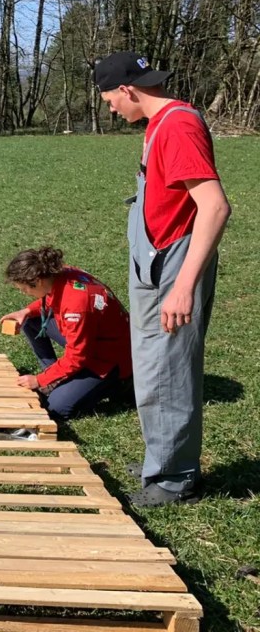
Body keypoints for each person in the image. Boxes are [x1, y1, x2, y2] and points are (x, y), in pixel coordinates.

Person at [94, 51, 231, 506]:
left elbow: (214, 207)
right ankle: (163, 458)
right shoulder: (158, 124)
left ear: (127, 90)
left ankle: (174, 479)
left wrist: (183, 286)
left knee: (169, 370)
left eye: (110, 101)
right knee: (153, 366)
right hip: (154, 259)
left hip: (174, 263)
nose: (112, 110)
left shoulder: (177, 126)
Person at [0, 247, 133, 423]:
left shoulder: (76, 306)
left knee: (56, 407)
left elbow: (78, 357)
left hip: (108, 360)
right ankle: (57, 375)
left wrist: (39, 380)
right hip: (91, 340)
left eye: (24, 289)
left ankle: (120, 385)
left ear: (38, 281)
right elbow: (50, 299)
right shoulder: (59, 274)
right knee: (30, 320)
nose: (24, 293)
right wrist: (26, 311)